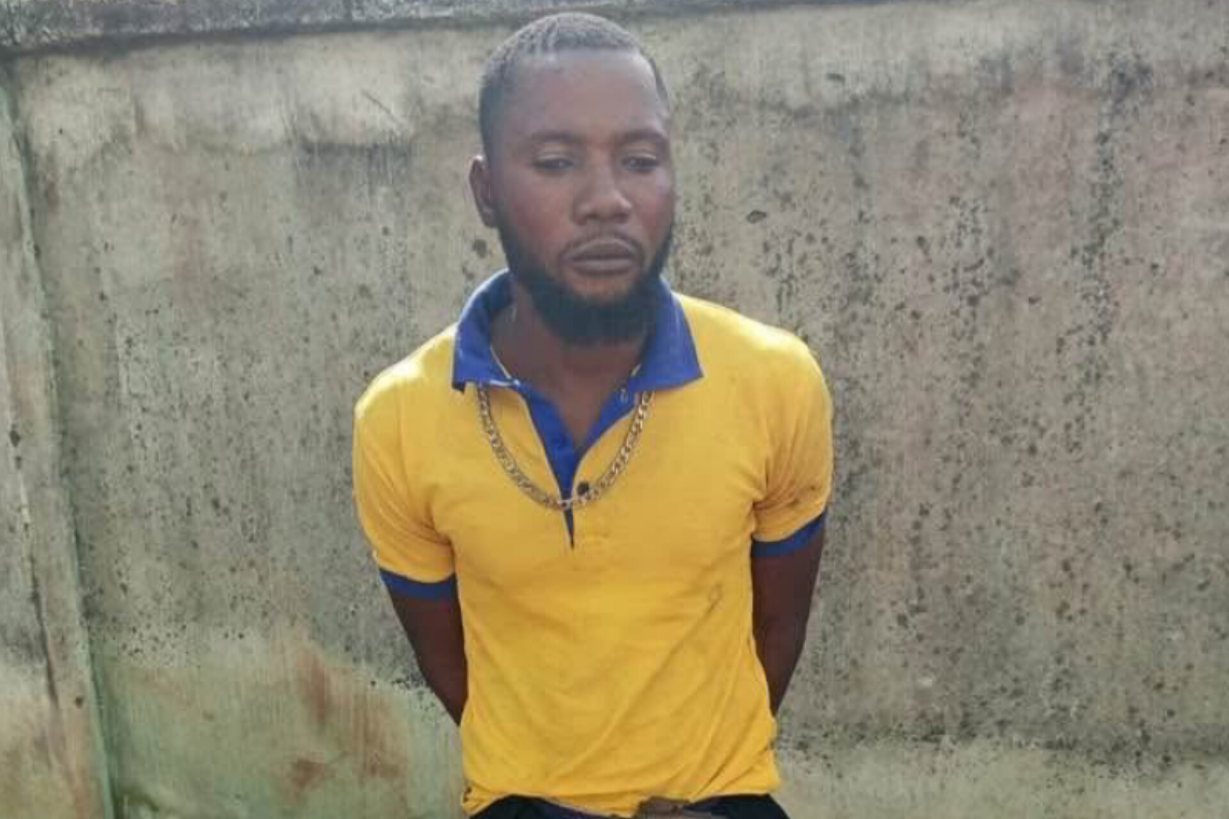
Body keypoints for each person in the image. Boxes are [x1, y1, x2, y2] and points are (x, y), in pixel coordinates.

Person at [352, 13, 833, 819]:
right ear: (486, 193)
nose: (606, 200)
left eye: (640, 160)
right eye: (554, 162)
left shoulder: (773, 379)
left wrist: (702, 784)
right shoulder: (399, 417)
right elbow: (450, 665)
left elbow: (776, 626)